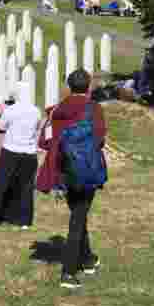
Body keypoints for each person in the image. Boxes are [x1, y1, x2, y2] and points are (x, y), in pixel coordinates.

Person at [36, 69, 107, 290]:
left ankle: (87, 260)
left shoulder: (56, 109)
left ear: (69, 86)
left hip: (62, 172)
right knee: (77, 220)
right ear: (88, 87)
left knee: (79, 213)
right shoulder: (93, 108)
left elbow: (44, 142)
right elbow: (100, 138)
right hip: (85, 170)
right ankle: (68, 271)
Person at [0, 84, 42, 230]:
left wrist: (2, 112)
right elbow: (36, 128)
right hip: (30, 154)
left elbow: (0, 127)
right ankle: (23, 221)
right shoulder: (36, 111)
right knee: (25, 188)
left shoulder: (11, 110)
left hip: (11, 152)